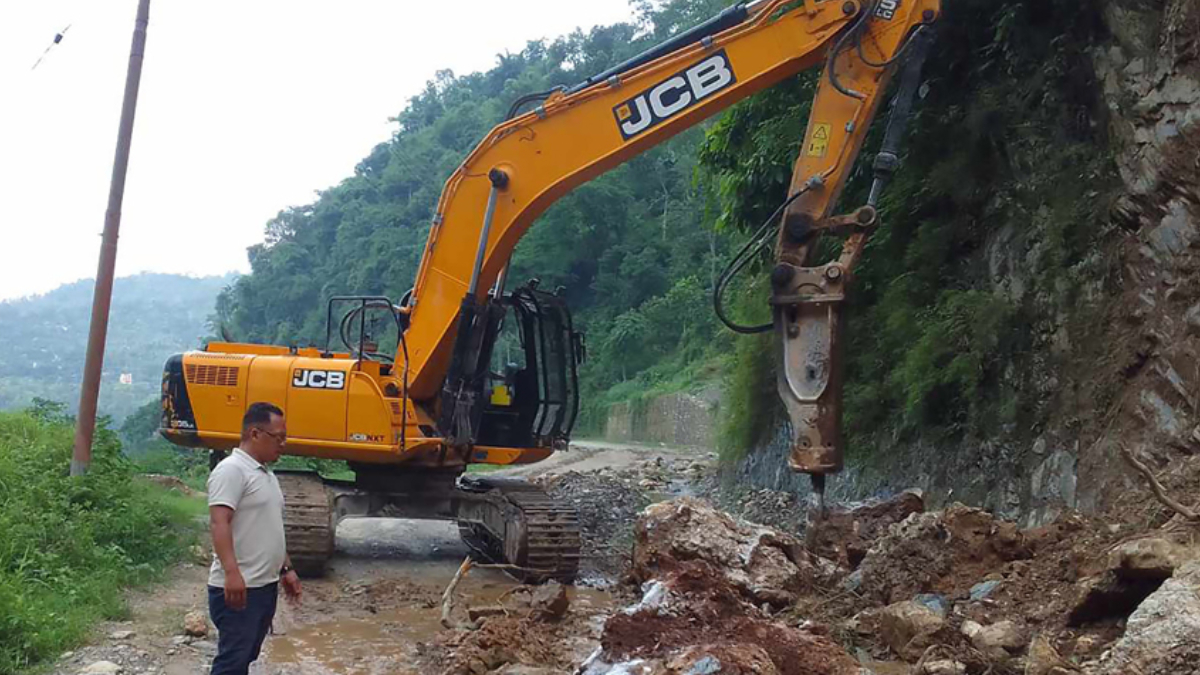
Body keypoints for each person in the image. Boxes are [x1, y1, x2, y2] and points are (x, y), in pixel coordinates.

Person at [207, 402, 302, 674]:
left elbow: (270, 527)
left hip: (264, 586)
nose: (283, 444)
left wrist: (287, 568)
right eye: (278, 437)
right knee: (232, 662)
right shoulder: (232, 470)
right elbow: (219, 522)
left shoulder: (265, 474)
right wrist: (232, 573)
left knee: (246, 656)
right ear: (255, 434)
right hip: (241, 589)